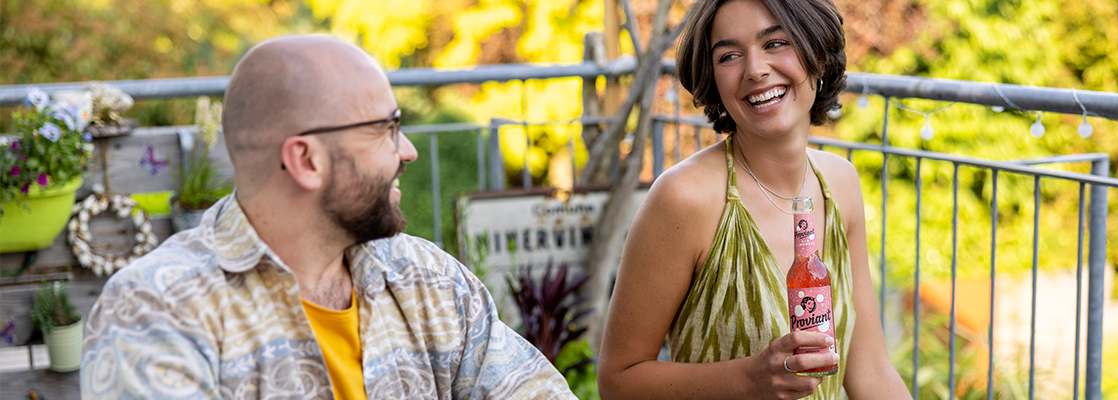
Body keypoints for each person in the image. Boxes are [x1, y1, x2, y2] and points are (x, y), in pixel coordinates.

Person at [81, 35, 575, 400]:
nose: (407, 151)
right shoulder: (156, 312)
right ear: (307, 161)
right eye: (386, 129)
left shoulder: (431, 283)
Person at [596, 0, 909, 398]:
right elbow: (617, 381)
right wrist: (748, 379)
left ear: (817, 52)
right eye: (729, 55)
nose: (756, 69)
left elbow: (871, 372)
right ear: (713, 77)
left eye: (775, 43)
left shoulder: (840, 184)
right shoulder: (684, 199)